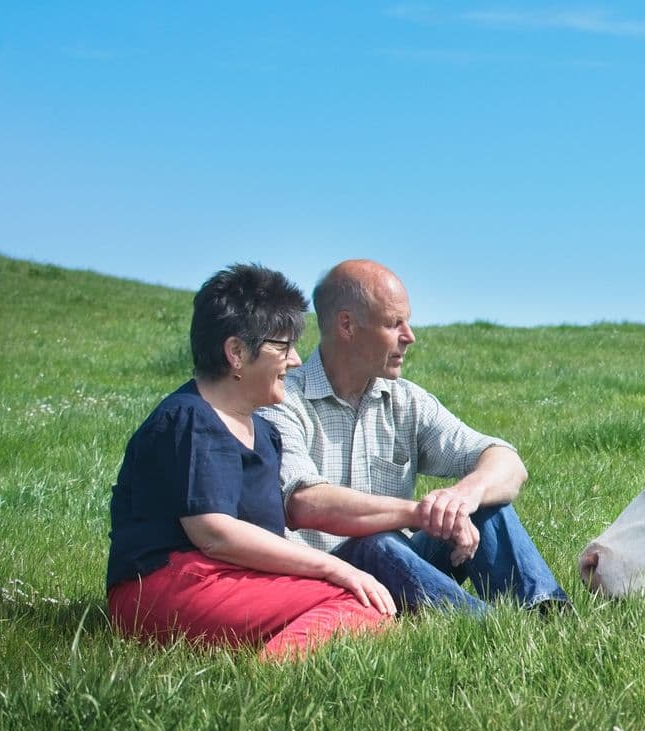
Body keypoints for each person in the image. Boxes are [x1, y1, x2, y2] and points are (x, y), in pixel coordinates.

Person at [107, 264, 396, 662]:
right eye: (283, 347)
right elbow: (215, 533)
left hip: (224, 578)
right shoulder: (192, 420)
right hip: (163, 583)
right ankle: (268, 681)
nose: (295, 361)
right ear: (237, 353)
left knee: (364, 605)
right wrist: (333, 568)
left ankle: (275, 657)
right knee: (357, 607)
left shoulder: (264, 433)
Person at [260, 259, 570, 615]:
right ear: (347, 325)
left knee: (486, 506)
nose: (410, 336)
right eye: (394, 324)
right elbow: (304, 503)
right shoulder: (281, 399)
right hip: (326, 583)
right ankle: (484, 629)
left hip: (401, 570)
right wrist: (421, 514)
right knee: (375, 543)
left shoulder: (407, 401)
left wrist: (461, 498)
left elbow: (506, 461)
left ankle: (548, 615)